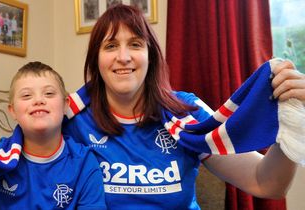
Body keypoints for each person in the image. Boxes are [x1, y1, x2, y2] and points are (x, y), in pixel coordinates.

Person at [62, 4, 305, 209]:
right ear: (96, 59)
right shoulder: (71, 119)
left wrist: (292, 120)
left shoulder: (185, 113)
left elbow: (265, 182)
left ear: (151, 56)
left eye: (135, 44)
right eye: (111, 45)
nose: (123, 57)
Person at [0, 61, 107, 210]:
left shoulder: (84, 162)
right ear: (12, 111)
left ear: (65, 105)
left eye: (49, 93)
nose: (38, 100)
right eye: (26, 95)